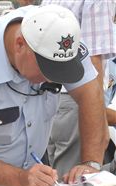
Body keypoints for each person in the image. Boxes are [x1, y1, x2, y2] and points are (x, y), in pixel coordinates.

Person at [0, 4, 108, 186]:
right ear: (19, 45)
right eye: (46, 69)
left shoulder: (60, 39)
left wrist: (91, 163)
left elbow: (90, 95)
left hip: (35, 166)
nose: (52, 79)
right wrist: (21, 178)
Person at [42, 0, 116, 176]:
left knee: (54, 179)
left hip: (48, 96)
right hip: (78, 100)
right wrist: (99, 125)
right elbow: (93, 60)